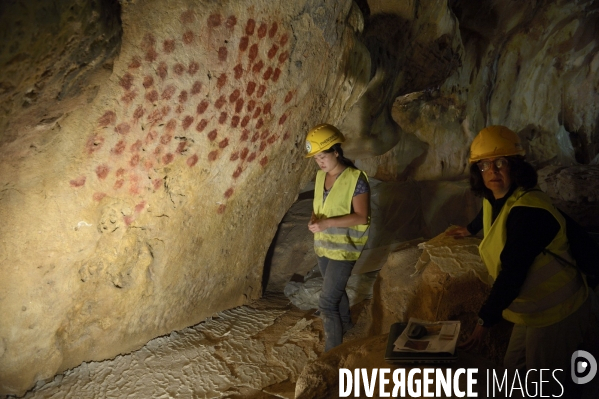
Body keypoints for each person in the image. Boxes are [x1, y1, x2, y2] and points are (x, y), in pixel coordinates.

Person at [447, 125, 598, 397]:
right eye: (484, 165)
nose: (492, 171)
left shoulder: (528, 213)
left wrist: (484, 322)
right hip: (533, 309)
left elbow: (512, 274)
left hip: (556, 310)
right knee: (513, 368)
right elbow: (491, 210)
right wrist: (470, 229)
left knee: (546, 384)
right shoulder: (499, 197)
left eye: (500, 163)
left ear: (514, 166)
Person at [305, 123, 370, 352]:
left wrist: (327, 223)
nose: (320, 162)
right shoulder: (321, 177)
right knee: (336, 290)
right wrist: (315, 220)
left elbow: (361, 217)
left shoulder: (355, 179)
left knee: (327, 302)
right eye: (316, 158)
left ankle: (331, 356)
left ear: (336, 152)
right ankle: (347, 325)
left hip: (345, 249)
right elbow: (319, 207)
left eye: (323, 156)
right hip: (324, 247)